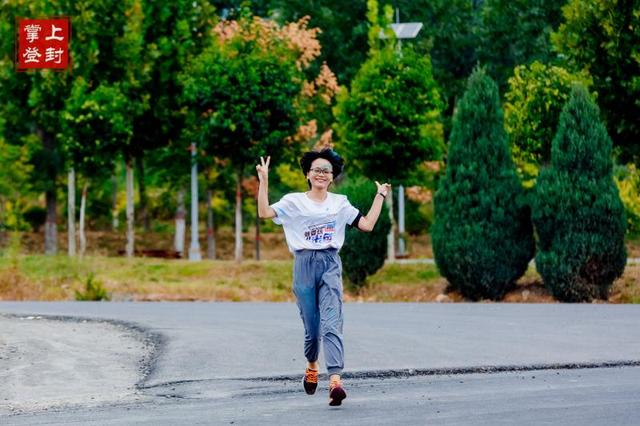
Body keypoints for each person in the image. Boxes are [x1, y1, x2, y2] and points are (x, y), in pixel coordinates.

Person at [256, 149, 390, 406]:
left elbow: (367, 225)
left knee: (331, 323)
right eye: (316, 169)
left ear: (332, 176)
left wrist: (380, 196)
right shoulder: (293, 201)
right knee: (312, 328)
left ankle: (335, 382)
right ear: (308, 174)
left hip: (330, 264)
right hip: (304, 265)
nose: (321, 174)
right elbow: (264, 213)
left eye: (326, 171)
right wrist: (264, 181)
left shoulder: (340, 203)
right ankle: (311, 365)